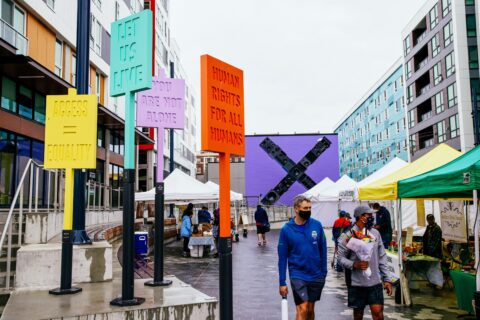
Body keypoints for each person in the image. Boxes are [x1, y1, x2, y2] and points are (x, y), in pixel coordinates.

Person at [337, 205, 393, 320]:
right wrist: (354, 264)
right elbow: (340, 258)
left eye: (372, 216)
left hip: (375, 282)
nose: (372, 218)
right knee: (358, 315)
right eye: (369, 216)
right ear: (360, 217)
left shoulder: (376, 233)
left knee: (378, 313)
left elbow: (382, 256)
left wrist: (387, 279)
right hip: (356, 283)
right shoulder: (348, 235)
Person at [278, 195, 327, 320]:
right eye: (305, 208)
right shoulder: (286, 230)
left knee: (310, 309)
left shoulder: (317, 225)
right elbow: (282, 258)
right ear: (296, 209)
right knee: (303, 308)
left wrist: (324, 272)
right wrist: (282, 282)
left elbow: (323, 249)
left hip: (316, 275)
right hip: (298, 275)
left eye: (310, 208)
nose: (308, 211)